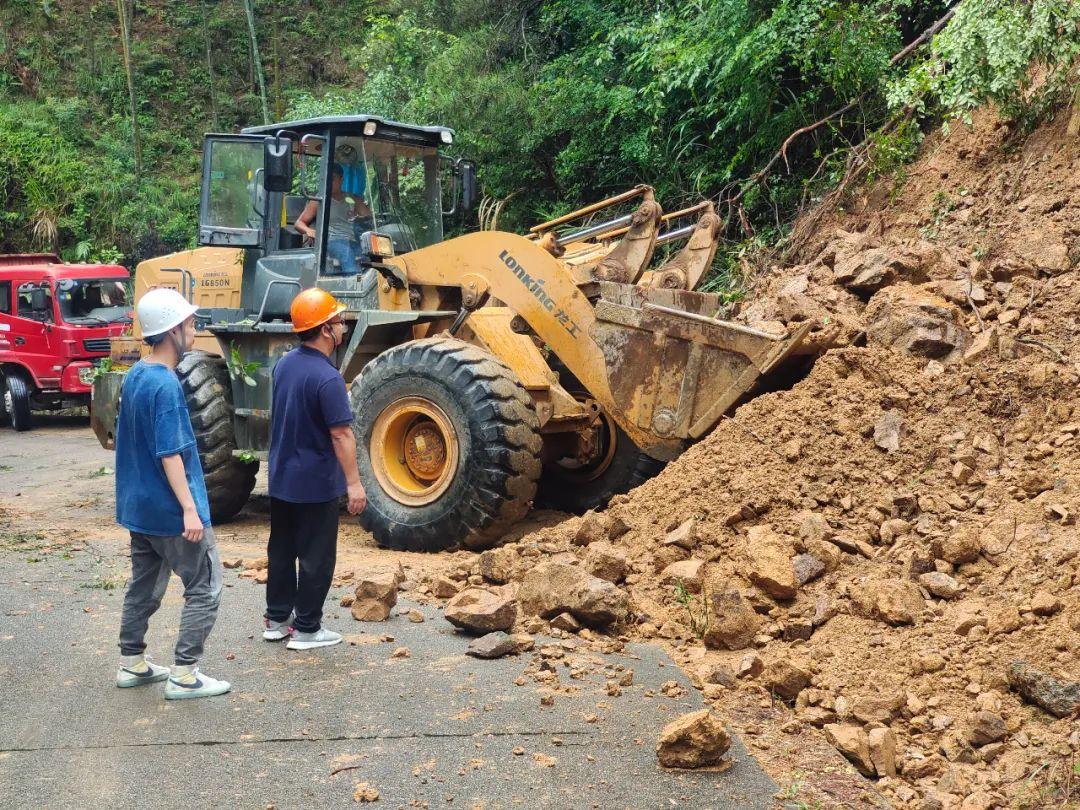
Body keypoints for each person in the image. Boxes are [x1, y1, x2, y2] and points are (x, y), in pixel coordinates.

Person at [114, 287, 231, 700]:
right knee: (205, 585)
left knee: (144, 585)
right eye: (190, 324)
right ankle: (185, 674)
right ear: (172, 330)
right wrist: (189, 509)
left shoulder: (136, 375)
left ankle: (132, 663)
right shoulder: (166, 386)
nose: (194, 330)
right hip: (170, 511)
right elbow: (170, 454)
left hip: (139, 509)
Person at [263, 287, 367, 650]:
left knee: (282, 550)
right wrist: (354, 484)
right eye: (339, 322)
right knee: (316, 556)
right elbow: (341, 435)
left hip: (282, 476)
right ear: (325, 330)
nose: (343, 328)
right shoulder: (328, 378)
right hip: (314, 482)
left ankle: (277, 619)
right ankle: (307, 628)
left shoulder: (284, 364)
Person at [295, 163, 371, 276]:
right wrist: (309, 231)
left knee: (369, 253)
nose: (328, 182)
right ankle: (353, 285)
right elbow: (298, 223)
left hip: (351, 241)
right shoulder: (319, 200)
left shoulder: (352, 199)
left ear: (341, 179)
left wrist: (361, 217)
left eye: (332, 179)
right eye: (327, 179)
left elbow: (369, 218)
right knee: (346, 252)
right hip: (330, 242)